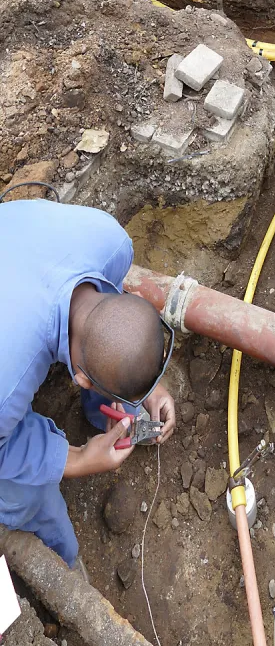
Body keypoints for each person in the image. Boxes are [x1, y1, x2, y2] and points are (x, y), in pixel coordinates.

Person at [0, 198, 176, 568]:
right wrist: (80, 459)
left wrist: (149, 385)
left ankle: (109, 404)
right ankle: (58, 561)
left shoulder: (112, 243)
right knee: (25, 495)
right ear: (79, 378)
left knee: (105, 356)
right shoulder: (7, 386)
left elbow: (115, 321)